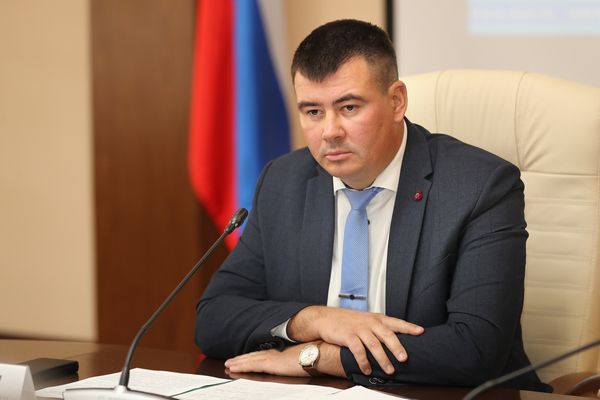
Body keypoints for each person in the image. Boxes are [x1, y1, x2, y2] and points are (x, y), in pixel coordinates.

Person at [195, 19, 548, 391]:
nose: (330, 131)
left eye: (349, 107)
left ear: (396, 101)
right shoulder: (284, 182)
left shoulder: (480, 186)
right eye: (313, 112)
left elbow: (475, 349)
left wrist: (320, 357)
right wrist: (312, 320)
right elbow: (213, 319)